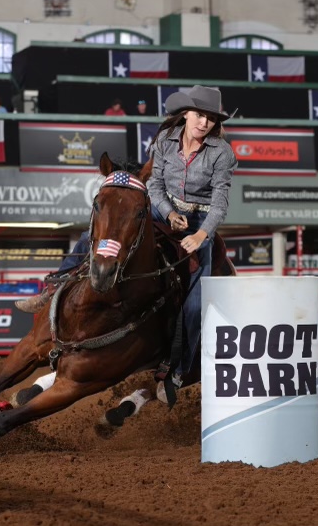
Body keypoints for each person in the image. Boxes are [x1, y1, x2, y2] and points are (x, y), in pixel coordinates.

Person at [18, 85, 235, 380]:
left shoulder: (221, 152)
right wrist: (169, 213)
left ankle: (178, 369)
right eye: (199, 115)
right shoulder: (165, 142)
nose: (204, 123)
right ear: (186, 114)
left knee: (196, 303)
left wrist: (201, 235)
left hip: (200, 220)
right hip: (162, 207)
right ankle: (52, 289)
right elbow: (155, 185)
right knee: (97, 234)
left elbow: (220, 202)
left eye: (211, 118)